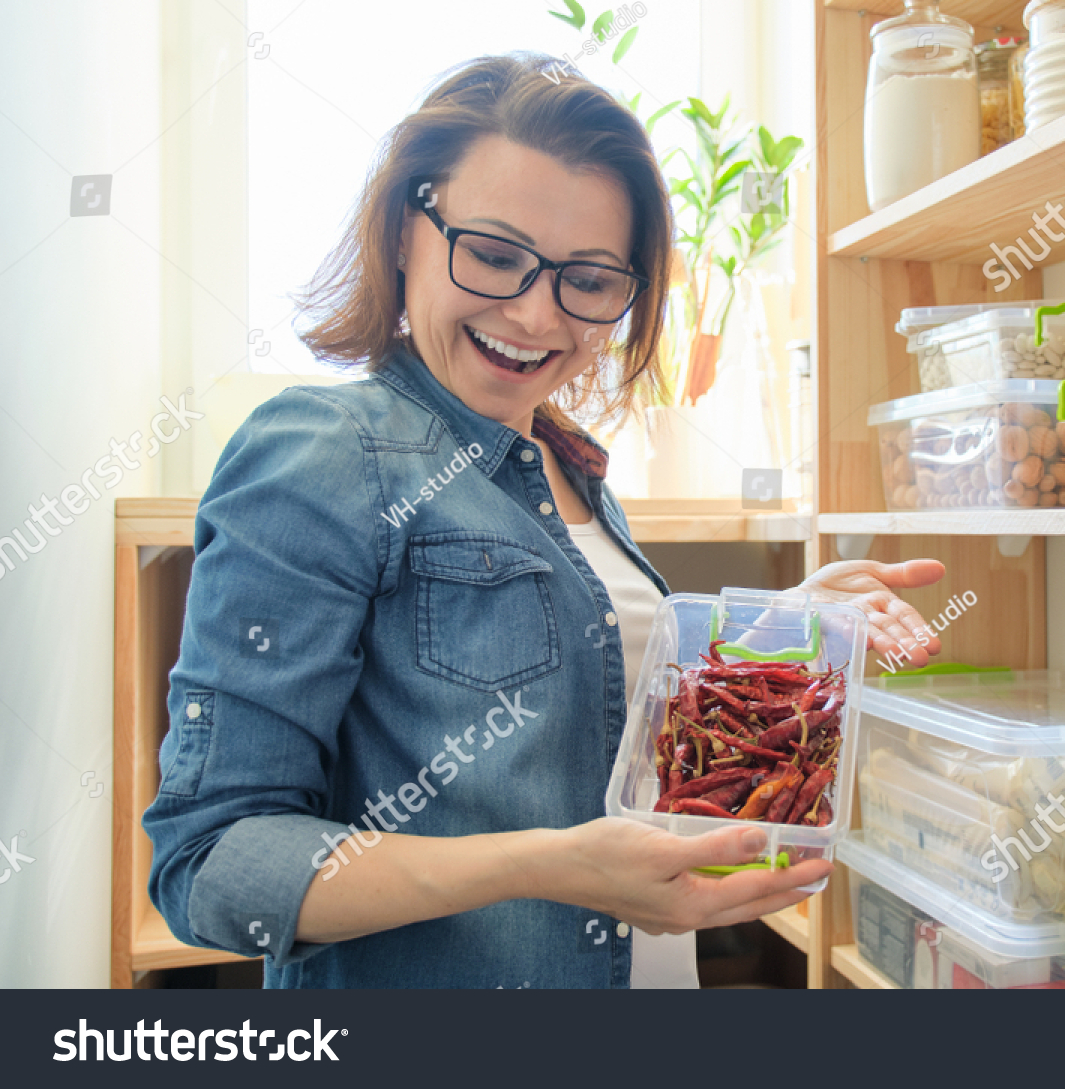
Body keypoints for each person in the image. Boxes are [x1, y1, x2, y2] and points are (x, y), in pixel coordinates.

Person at [144, 53, 944, 989]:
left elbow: (600, 725)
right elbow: (212, 865)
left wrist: (787, 631)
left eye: (591, 280)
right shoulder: (326, 451)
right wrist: (549, 866)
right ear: (408, 229)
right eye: (492, 255)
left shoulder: (569, 467)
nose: (534, 313)